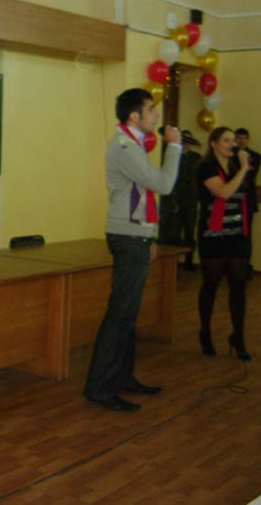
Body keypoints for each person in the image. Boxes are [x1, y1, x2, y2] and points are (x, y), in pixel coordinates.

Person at [83, 88, 181, 412]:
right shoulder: (125, 147)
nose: (156, 114)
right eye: (150, 109)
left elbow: (139, 195)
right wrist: (174, 147)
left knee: (128, 314)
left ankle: (122, 377)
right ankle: (99, 388)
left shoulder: (133, 144)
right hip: (127, 236)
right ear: (133, 116)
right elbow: (162, 184)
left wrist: (149, 236)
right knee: (120, 313)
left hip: (136, 234)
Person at [196, 126, 252, 360]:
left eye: (233, 140)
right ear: (214, 144)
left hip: (236, 235)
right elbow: (224, 192)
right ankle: (205, 332)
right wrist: (245, 169)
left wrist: (243, 167)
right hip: (213, 237)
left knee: (238, 287)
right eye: (227, 140)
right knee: (211, 285)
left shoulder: (235, 167)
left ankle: (238, 336)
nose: (233, 144)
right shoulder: (206, 167)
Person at [158, 130, 202, 270]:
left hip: (190, 198)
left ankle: (189, 262)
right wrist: (174, 201)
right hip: (174, 196)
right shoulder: (171, 155)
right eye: (184, 141)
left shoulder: (196, 157)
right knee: (173, 233)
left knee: (189, 231)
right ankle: (173, 265)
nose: (186, 144)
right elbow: (170, 179)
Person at [234, 127, 261, 278]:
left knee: (246, 234)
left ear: (248, 139)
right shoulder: (229, 155)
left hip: (247, 200)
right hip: (231, 199)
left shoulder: (255, 156)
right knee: (231, 235)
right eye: (238, 138)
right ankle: (231, 266)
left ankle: (245, 266)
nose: (241, 141)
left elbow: (249, 175)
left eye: (244, 138)